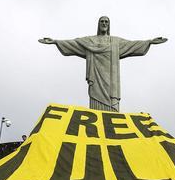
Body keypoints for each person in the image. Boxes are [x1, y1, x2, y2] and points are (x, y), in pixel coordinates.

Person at [39, 16, 167, 112]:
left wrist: (149, 42)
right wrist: (55, 41)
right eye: (102, 21)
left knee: (112, 108)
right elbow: (74, 43)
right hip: (96, 79)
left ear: (109, 25)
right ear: (98, 24)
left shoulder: (116, 42)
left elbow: (132, 44)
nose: (104, 23)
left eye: (106, 22)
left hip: (111, 83)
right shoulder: (90, 41)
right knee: (96, 106)